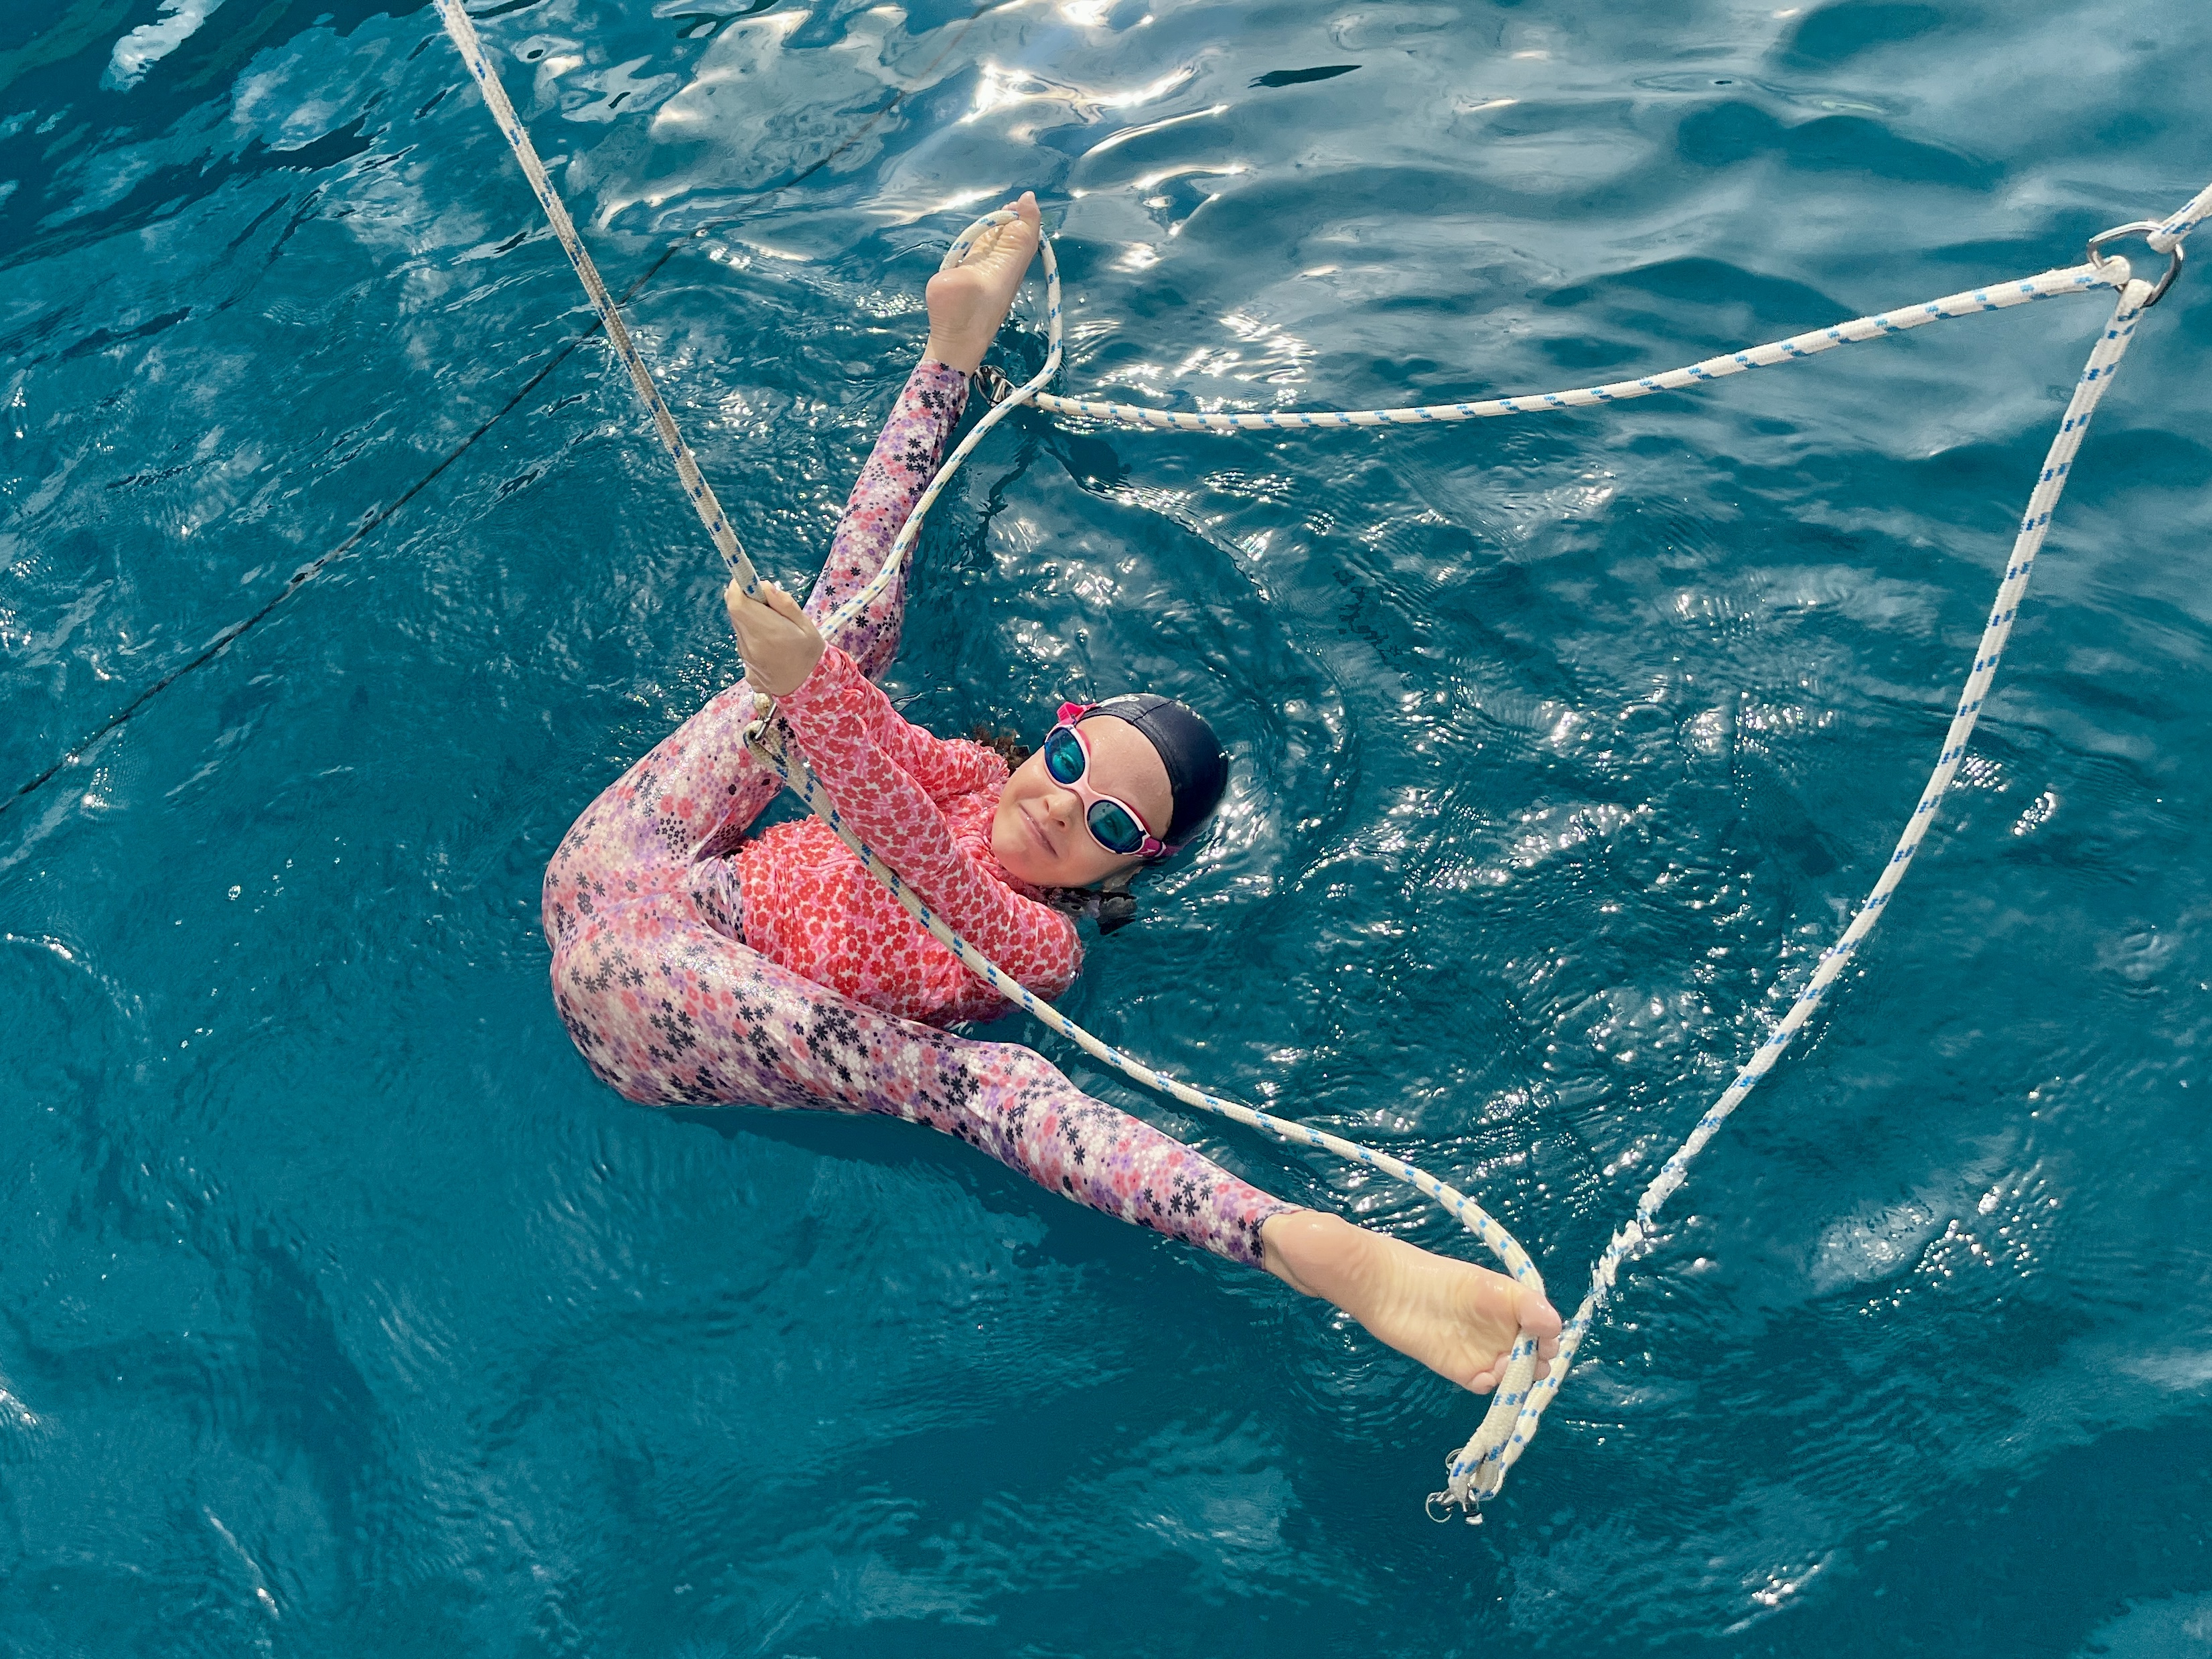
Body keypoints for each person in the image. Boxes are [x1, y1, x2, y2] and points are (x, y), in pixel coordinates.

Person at [544, 192, 1562, 1396]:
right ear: (1051, 735)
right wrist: (815, 683)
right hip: (624, 872)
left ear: (1127, 874)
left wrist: (813, 700)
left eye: (1113, 826)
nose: (1068, 807)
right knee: (847, 636)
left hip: (656, 1006)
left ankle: (1304, 1244)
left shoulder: (1037, 949)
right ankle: (949, 353)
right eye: (1072, 764)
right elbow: (874, 745)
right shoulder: (978, 774)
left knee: (986, 1089)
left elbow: (908, 852)